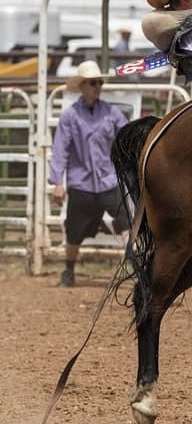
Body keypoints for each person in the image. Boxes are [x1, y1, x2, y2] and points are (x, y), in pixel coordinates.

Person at [49, 60, 129, 287]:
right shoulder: (70, 116)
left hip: (109, 179)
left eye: (100, 82)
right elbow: (60, 149)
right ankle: (69, 270)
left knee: (126, 220)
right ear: (83, 86)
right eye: (93, 83)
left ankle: (135, 269)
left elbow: (126, 139)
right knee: (74, 230)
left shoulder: (112, 112)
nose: (98, 87)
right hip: (81, 183)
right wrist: (57, 182)